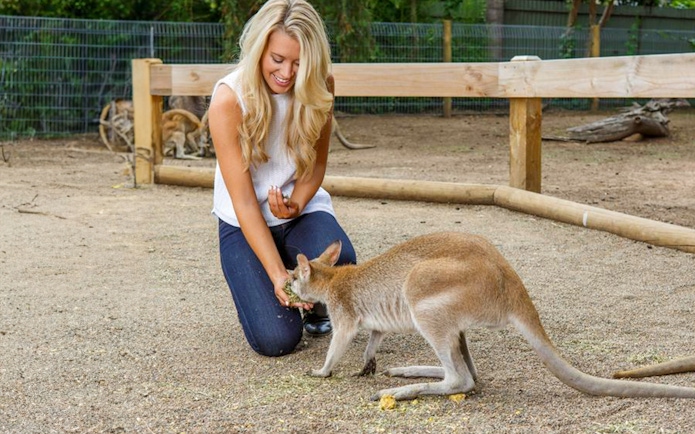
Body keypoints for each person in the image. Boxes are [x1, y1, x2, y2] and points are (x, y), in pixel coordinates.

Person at [208, 0, 356, 357]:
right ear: (259, 50)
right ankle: (277, 281)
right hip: (243, 222)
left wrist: (297, 203)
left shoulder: (322, 84)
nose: (287, 73)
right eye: (277, 59)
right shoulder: (229, 99)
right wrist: (276, 274)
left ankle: (316, 305)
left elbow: (316, 167)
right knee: (277, 340)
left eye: (299, 62)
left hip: (300, 214)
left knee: (344, 262)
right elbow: (243, 202)